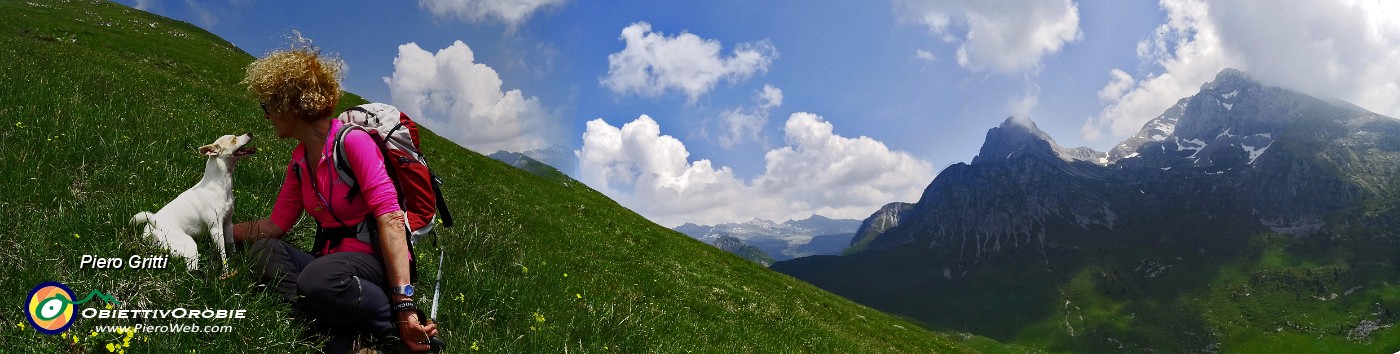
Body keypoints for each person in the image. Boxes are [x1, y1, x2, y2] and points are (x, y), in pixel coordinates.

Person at [232, 38, 439, 353]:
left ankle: (397, 332)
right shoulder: (300, 161)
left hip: (375, 262)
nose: (266, 116)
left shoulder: (353, 143)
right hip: (332, 265)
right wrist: (212, 230)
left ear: (290, 105)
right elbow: (274, 227)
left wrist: (404, 304)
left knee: (318, 278)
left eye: (268, 107)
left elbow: (391, 219)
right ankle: (335, 339)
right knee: (264, 250)